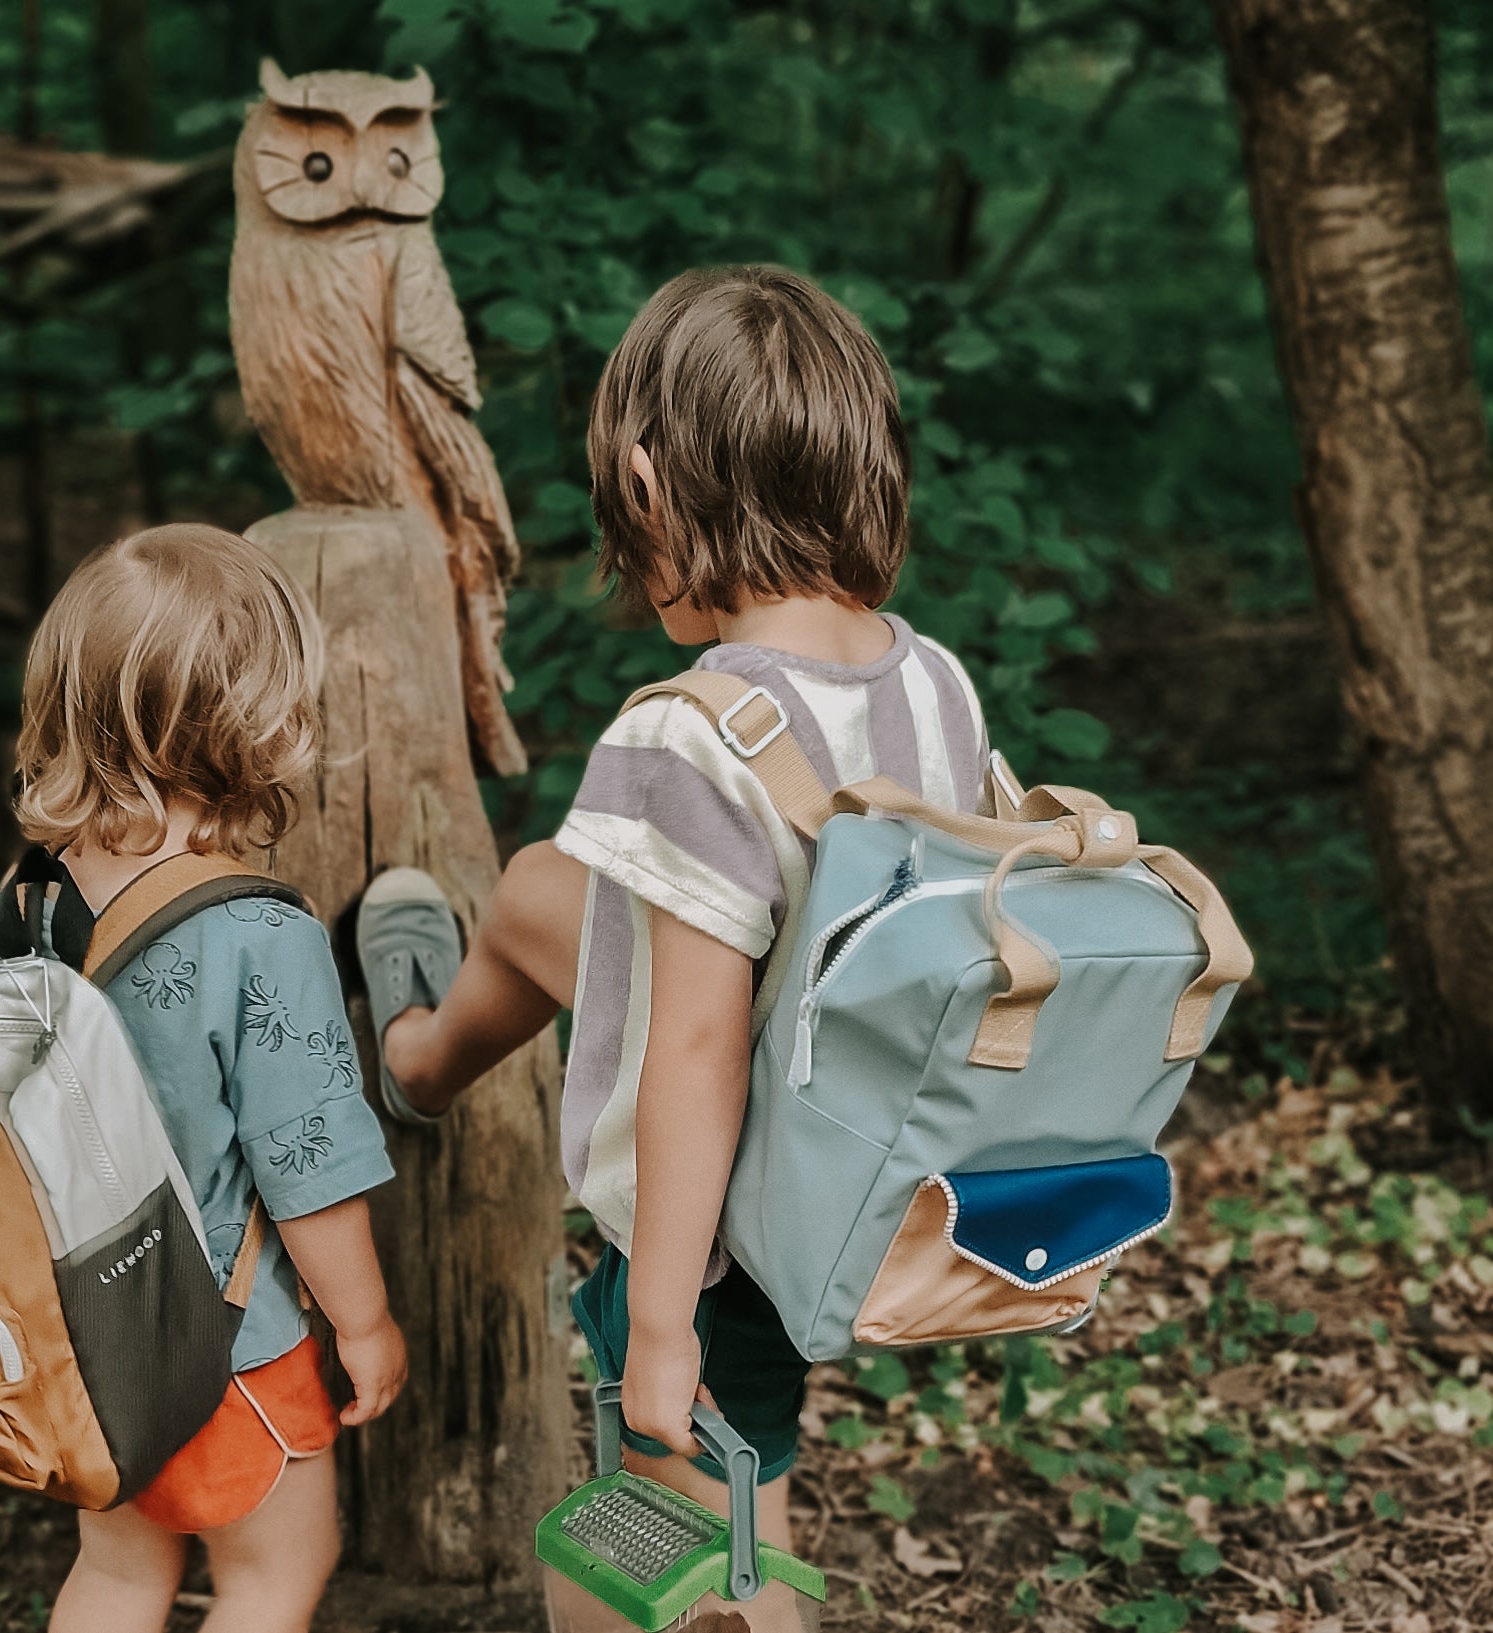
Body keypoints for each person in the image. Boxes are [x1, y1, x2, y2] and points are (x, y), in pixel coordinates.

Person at [358, 266, 988, 1568]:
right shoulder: (932, 683)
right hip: (865, 1165)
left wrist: (659, 1323)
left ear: (646, 487)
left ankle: (414, 1059)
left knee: (694, 1550)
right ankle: (419, 1056)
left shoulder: (684, 736)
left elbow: (694, 1050)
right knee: (545, 888)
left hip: (722, 1235)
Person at [0, 524, 406, 1633]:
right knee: (272, 1572)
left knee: (119, 1572)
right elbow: (307, 1158)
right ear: (257, 720)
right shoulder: (256, 935)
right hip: (227, 1342)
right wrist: (362, 1322)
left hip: (79, 1334)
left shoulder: (18, 915)